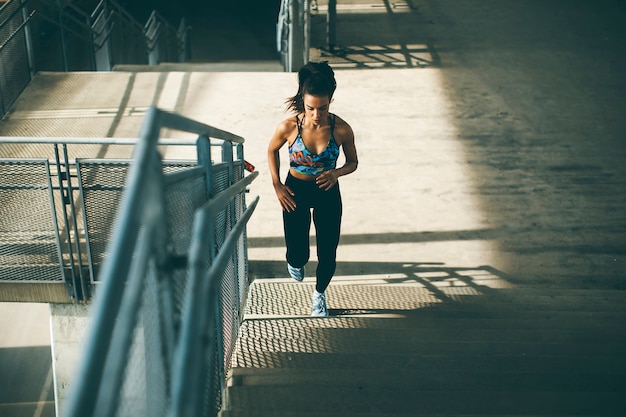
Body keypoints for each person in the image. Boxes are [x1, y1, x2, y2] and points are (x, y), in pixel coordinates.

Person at [267, 61, 358, 317]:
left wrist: (336, 172)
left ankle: (319, 294)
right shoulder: (289, 127)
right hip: (295, 190)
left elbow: (353, 162)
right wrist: (277, 185)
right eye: (310, 108)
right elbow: (272, 150)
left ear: (330, 101)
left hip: (327, 191)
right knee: (298, 254)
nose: (316, 115)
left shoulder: (341, 129)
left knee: (328, 251)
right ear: (302, 101)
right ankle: (295, 261)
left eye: (323, 108)